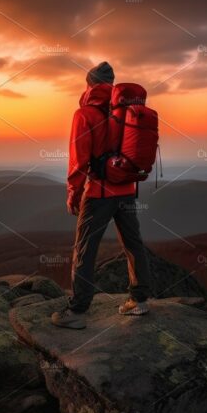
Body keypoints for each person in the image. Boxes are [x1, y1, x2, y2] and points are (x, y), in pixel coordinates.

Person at [51, 62, 152, 329]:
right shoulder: (129, 111)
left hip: (98, 193)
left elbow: (78, 160)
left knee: (85, 249)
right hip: (127, 190)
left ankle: (77, 313)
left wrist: (73, 192)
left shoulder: (84, 114)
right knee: (134, 244)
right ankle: (139, 301)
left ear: (89, 84)